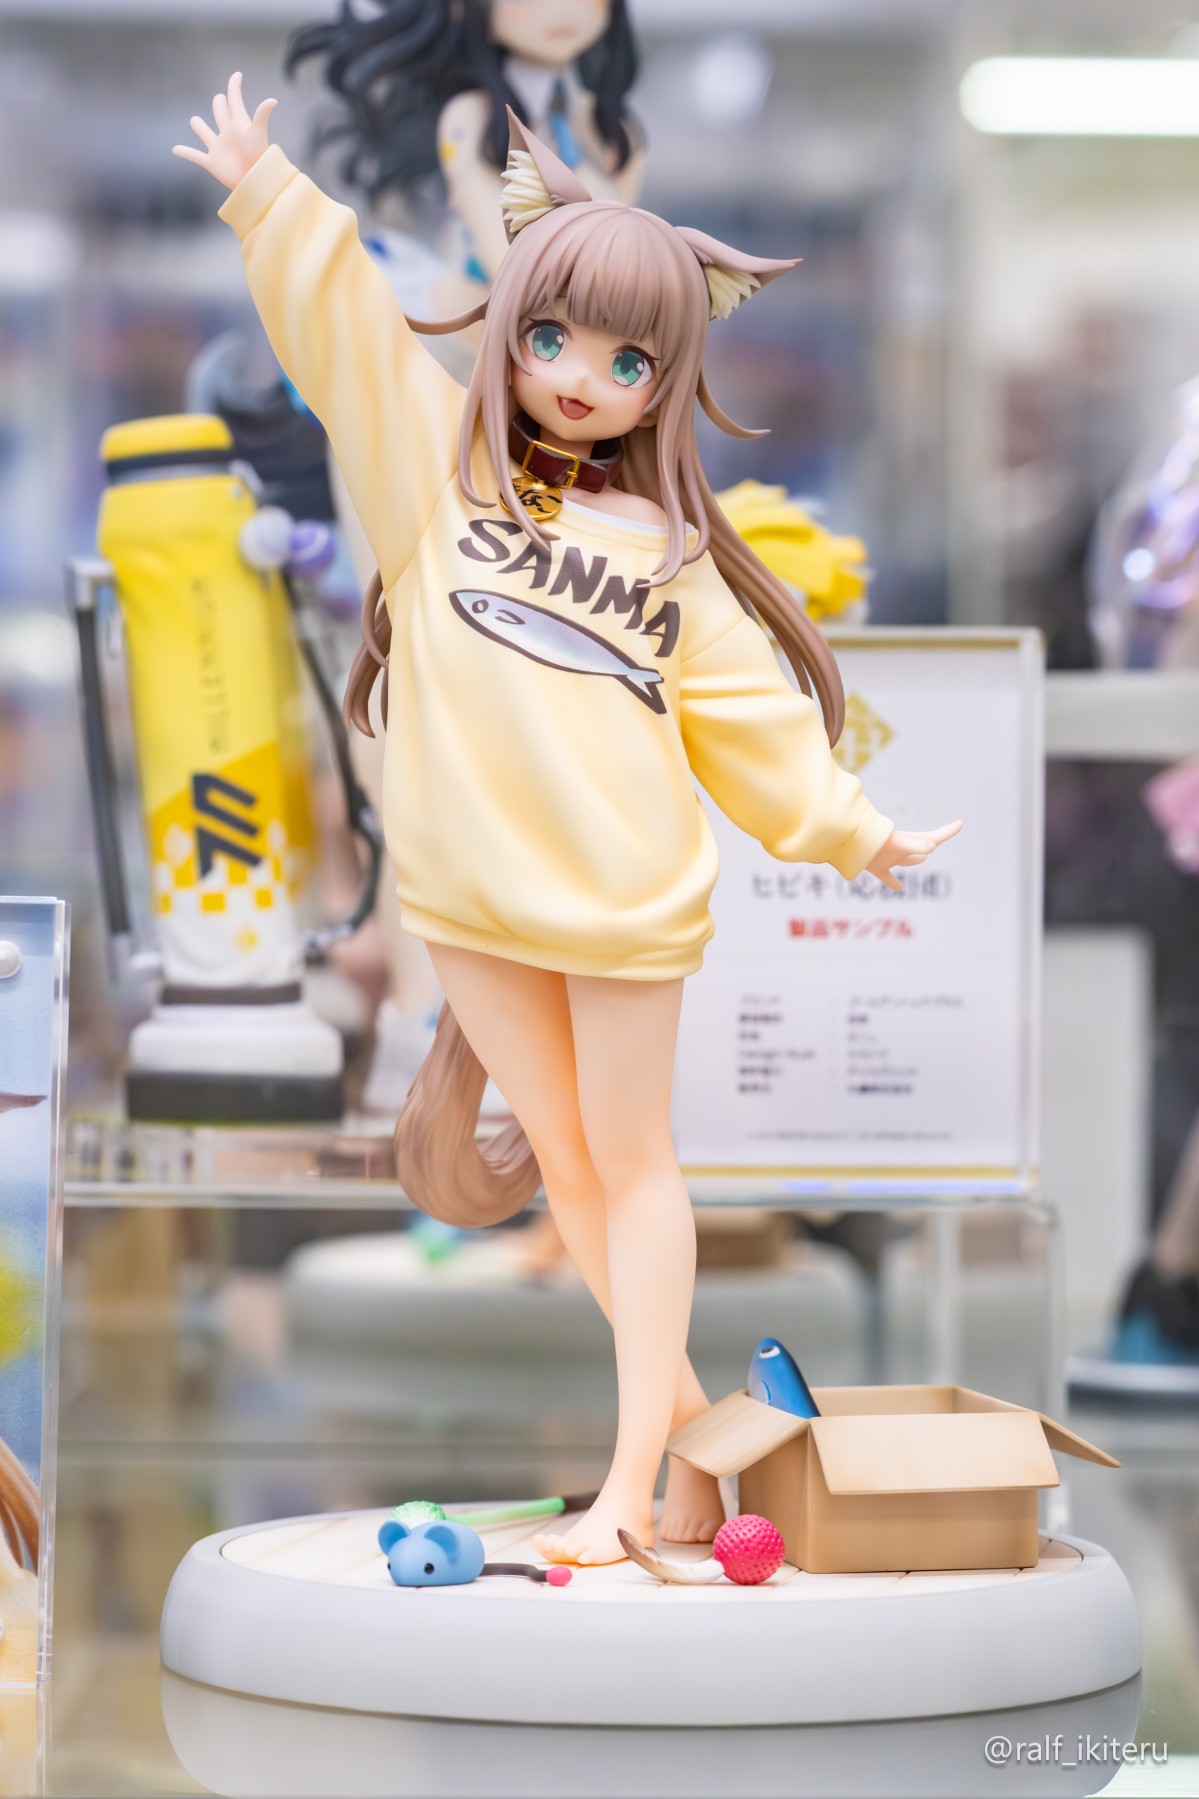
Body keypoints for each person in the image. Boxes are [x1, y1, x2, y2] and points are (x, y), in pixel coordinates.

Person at [175, 74, 961, 1566]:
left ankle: (631, 1482)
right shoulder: (437, 474)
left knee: (630, 1165)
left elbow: (750, 718)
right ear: (511, 335)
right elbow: (351, 339)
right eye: (551, 341)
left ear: (668, 379)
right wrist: (268, 194)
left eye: (627, 359)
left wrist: (855, 830)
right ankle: (689, 1453)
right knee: (575, 1169)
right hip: (470, 899)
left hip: (624, 904)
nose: (583, 379)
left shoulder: (672, 554)